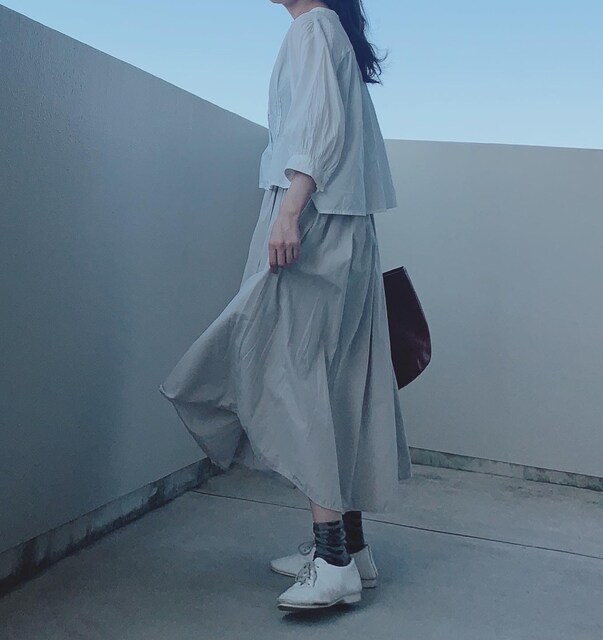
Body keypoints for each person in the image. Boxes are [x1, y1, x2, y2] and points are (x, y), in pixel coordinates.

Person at [159, 0, 412, 612]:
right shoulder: (330, 31)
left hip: (314, 220)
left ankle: (332, 561)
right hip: (344, 227)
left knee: (295, 378)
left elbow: (319, 127)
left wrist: (290, 211)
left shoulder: (313, 27)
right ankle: (351, 550)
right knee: (334, 382)